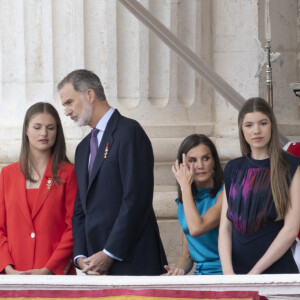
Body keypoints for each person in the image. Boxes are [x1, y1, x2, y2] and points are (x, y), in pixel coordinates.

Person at [57, 69, 167, 275]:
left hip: (133, 262)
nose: (67, 112)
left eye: (69, 102)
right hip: (94, 267)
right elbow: (80, 209)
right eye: (64, 106)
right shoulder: (82, 150)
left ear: (90, 95)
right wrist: (80, 255)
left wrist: (109, 253)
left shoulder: (129, 132)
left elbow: (136, 200)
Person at [219, 97, 300, 274]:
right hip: (237, 275)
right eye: (249, 125)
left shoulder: (292, 166)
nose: (256, 130)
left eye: (263, 123)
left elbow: (291, 229)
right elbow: (225, 227)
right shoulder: (233, 168)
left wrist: (254, 275)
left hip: (277, 274)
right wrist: (228, 274)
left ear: (272, 125)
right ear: (241, 129)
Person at [0, 102, 77, 275]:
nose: (44, 133)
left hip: (53, 274)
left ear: (57, 132)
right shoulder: (7, 174)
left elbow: (73, 227)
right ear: (26, 130)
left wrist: (48, 269)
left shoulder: (68, 173)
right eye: (37, 127)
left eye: (50, 128)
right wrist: (7, 267)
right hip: (14, 274)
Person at [164, 134, 224, 275]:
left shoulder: (225, 193)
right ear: (182, 165)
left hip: (226, 273)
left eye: (206, 158)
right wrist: (177, 271)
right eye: (192, 160)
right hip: (200, 275)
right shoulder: (186, 200)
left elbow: (197, 227)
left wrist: (185, 186)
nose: (200, 166)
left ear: (214, 161)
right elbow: (187, 255)